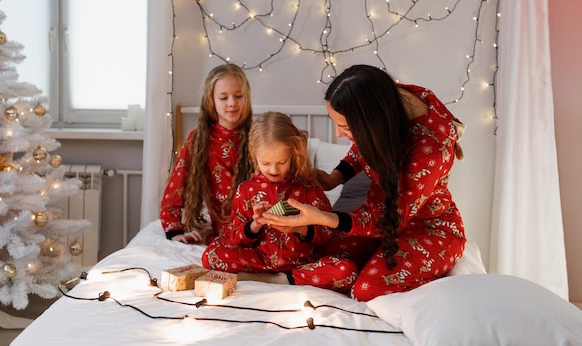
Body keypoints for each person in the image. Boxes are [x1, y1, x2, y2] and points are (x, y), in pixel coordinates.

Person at [261, 64, 466, 301]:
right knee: (314, 247)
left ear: (372, 123)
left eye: (345, 127)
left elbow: (387, 219)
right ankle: (284, 278)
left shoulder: (429, 149)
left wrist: (321, 217)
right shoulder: (385, 99)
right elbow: (365, 145)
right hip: (374, 219)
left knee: (366, 290)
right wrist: (334, 177)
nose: (339, 134)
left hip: (426, 227)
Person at [202, 111, 358, 293]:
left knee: (346, 271)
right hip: (259, 259)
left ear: (293, 153)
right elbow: (234, 237)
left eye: (281, 162)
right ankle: (270, 276)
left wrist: (300, 228)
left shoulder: (308, 186)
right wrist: (254, 225)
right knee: (211, 256)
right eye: (266, 163)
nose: (274, 169)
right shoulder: (246, 190)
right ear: (254, 154)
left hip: (304, 263)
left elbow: (326, 234)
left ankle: (280, 280)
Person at [160, 64, 254, 244]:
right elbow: (176, 188)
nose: (232, 102)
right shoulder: (198, 140)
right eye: (223, 97)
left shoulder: (259, 136)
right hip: (225, 231)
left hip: (258, 225)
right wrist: (174, 230)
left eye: (238, 96)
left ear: (247, 97)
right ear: (211, 100)